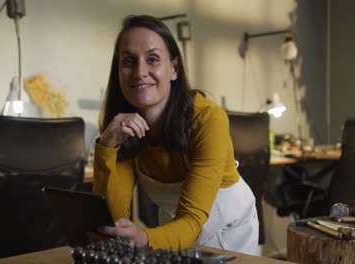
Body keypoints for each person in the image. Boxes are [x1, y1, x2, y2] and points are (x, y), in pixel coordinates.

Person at [93, 14, 259, 255]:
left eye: (152, 59)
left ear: (174, 69)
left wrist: (143, 237)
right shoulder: (122, 129)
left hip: (229, 232)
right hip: (172, 233)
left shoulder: (207, 117)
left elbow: (192, 219)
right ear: (118, 73)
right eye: (128, 61)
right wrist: (107, 146)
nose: (139, 72)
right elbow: (114, 218)